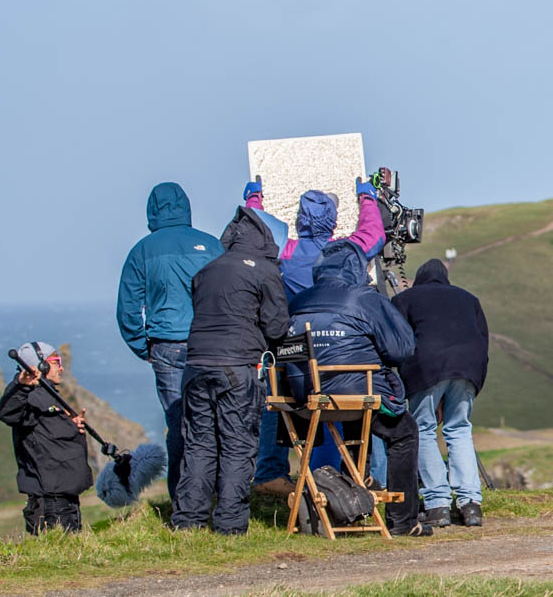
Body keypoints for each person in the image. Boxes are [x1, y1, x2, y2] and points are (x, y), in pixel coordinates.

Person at [286, 239, 433, 537]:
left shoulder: (299, 301)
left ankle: (351, 502)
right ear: (357, 268)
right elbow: (401, 349)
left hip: (304, 398)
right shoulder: (365, 298)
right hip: (356, 392)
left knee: (356, 430)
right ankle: (403, 520)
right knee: (404, 432)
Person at [251, 179, 387, 498]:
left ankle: (272, 472)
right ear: (334, 221)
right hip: (339, 355)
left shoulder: (286, 251)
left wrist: (255, 197)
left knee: (276, 401)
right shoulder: (344, 252)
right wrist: (367, 197)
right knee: (334, 413)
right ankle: (331, 482)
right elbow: (374, 235)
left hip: (292, 353)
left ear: (299, 220)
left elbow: (258, 231)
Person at [170, 206, 290, 535]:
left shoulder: (206, 270)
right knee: (238, 444)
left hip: (195, 365)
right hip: (237, 365)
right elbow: (278, 327)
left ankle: (188, 521)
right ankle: (230, 524)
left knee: (199, 443)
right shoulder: (264, 271)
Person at [116, 182, 223, 503]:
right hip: (211, 344)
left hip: (166, 345)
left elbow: (128, 308)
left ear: (152, 211)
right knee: (214, 418)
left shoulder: (143, 250)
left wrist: (142, 346)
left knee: (178, 422)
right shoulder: (212, 245)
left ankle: (183, 499)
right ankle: (219, 493)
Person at [390, 259, 489, 528]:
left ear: (420, 279)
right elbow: (483, 339)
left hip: (427, 366)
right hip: (469, 367)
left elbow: (396, 341)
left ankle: (437, 504)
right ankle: (471, 504)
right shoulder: (469, 299)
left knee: (422, 429)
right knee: (459, 429)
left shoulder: (406, 298)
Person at [0, 342, 91, 534]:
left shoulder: (46, 394)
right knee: (61, 556)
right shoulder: (28, 395)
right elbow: (6, 413)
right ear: (41, 365)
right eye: (56, 362)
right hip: (50, 501)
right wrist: (21, 386)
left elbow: (48, 431)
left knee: (70, 553)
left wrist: (69, 424)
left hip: (64, 495)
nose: (61, 367)